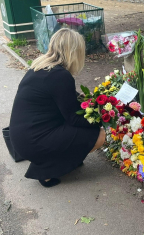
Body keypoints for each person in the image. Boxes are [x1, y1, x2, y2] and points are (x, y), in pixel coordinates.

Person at [9, 28, 105, 188]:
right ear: (75, 51)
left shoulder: (40, 66)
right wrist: (102, 118)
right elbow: (73, 118)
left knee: (82, 133)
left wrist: (87, 101)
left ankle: (62, 160)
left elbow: (65, 97)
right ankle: (47, 172)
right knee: (99, 135)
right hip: (35, 142)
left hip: (22, 138)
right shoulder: (61, 76)